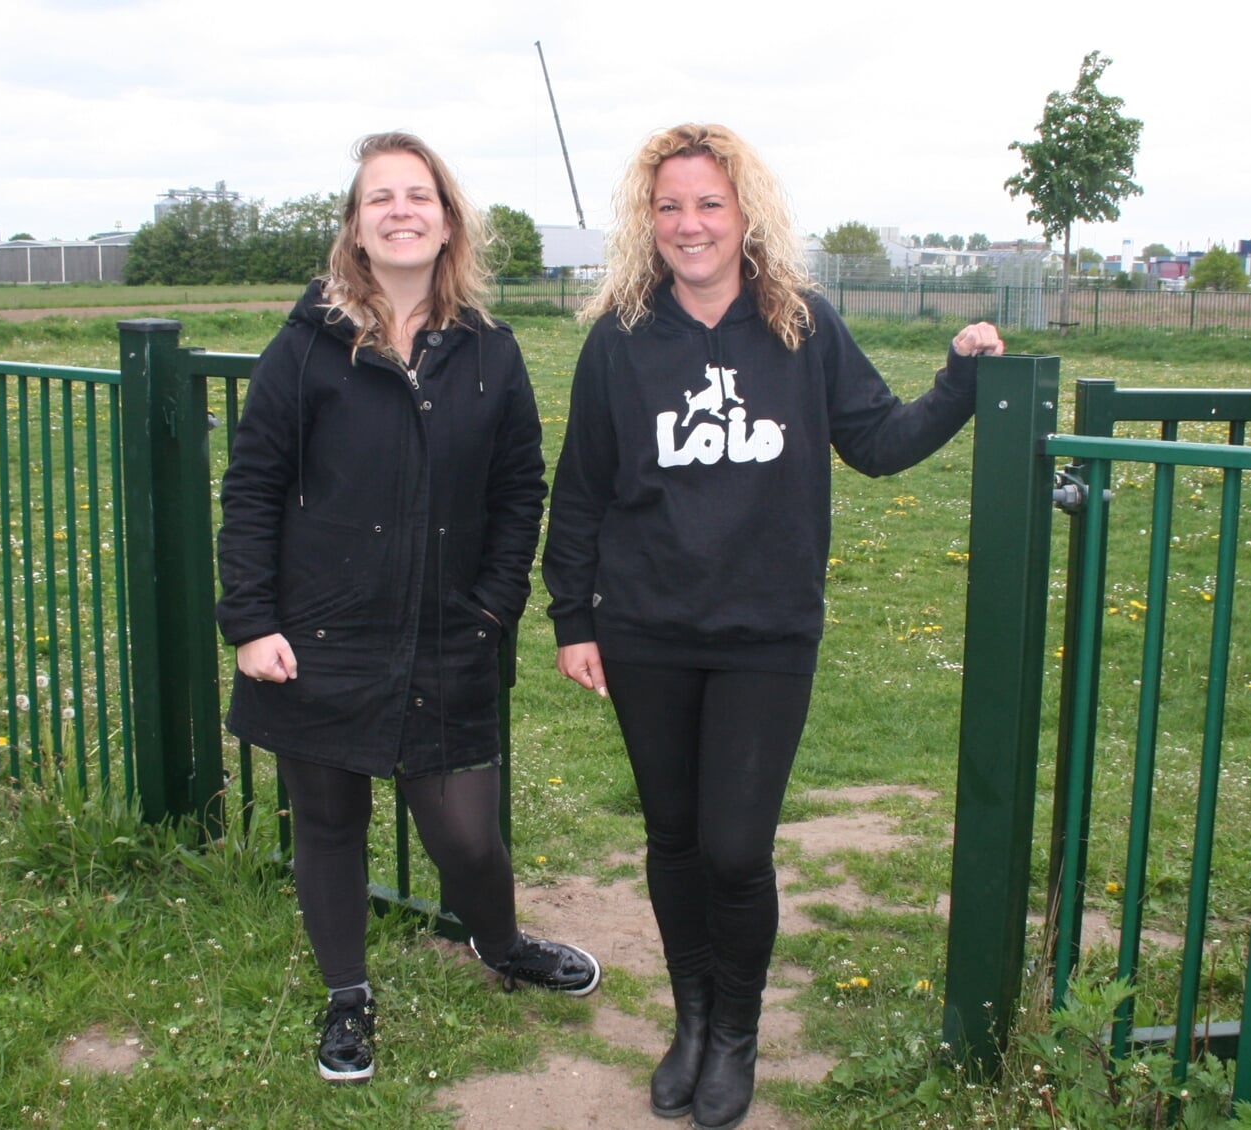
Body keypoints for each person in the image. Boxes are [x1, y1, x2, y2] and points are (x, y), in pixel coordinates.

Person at [542, 123, 1002, 1130]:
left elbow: (877, 441)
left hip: (766, 634)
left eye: (709, 204)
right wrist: (574, 614)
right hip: (648, 628)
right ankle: (692, 1021)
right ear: (646, 220)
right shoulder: (620, 338)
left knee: (735, 848)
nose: (689, 224)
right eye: (670, 206)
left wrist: (961, 380)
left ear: (745, 214)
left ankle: (737, 1030)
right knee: (671, 838)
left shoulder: (803, 325)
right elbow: (579, 489)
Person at [217, 131, 600, 1085]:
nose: (400, 210)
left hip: (448, 633)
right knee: (330, 823)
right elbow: (253, 486)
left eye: (418, 195)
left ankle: (500, 942)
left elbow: (522, 488)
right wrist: (252, 622)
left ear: (446, 220)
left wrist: (494, 605)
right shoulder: (304, 347)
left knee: (466, 833)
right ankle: (348, 997)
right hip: (320, 633)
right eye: (379, 196)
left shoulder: (489, 350)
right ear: (355, 225)